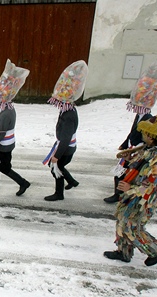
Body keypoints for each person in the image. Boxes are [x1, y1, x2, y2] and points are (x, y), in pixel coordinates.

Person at [103, 112, 157, 266]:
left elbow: (154, 186)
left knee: (130, 227)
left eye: (145, 133)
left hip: (142, 200)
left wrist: (130, 188)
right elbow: (140, 166)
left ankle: (156, 250)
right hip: (131, 196)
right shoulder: (148, 151)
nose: (142, 135)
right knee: (122, 222)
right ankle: (124, 252)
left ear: (151, 136)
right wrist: (130, 158)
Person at [104, 63, 157, 203]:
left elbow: (147, 139)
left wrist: (135, 150)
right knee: (119, 173)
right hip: (131, 149)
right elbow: (132, 132)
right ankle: (119, 194)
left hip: (138, 152)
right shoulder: (139, 116)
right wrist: (125, 144)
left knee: (125, 174)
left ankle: (121, 195)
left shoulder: (148, 119)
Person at [0, 60, 31, 196]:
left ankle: (22, 182)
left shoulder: (6, 113)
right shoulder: (9, 108)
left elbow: (1, 134)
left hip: (4, 145)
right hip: (5, 144)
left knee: (4, 166)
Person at [43, 60, 88, 201]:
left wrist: (57, 155)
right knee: (60, 166)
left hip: (66, 148)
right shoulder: (67, 110)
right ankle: (72, 182)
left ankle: (59, 193)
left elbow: (66, 138)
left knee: (56, 167)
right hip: (67, 147)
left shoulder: (68, 115)